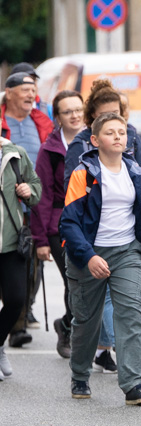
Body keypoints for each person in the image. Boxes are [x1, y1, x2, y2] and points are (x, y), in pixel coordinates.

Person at [61, 113, 141, 403]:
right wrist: (89, 256)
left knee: (132, 313)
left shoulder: (137, 173)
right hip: (88, 254)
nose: (118, 136)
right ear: (95, 140)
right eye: (110, 132)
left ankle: (134, 384)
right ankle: (80, 375)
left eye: (122, 132)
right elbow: (68, 223)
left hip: (127, 252)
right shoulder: (85, 173)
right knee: (86, 320)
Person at [31, 90, 86, 359]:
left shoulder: (95, 140)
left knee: (87, 283)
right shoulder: (49, 149)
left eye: (78, 109)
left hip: (92, 223)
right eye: (68, 111)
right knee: (73, 282)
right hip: (59, 226)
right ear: (58, 117)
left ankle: (66, 323)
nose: (75, 115)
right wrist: (40, 240)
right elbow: (40, 197)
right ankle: (70, 331)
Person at [1, 72, 54, 347]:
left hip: (37, 201)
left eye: (33, 89)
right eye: (24, 89)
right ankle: (16, 324)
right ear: (8, 92)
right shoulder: (1, 121)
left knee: (33, 262)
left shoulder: (42, 121)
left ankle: (21, 314)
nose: (31, 94)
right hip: (7, 208)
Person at [0, 135, 41, 381]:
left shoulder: (15, 153)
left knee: (16, 300)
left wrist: (29, 190)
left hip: (12, 241)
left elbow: (35, 187)